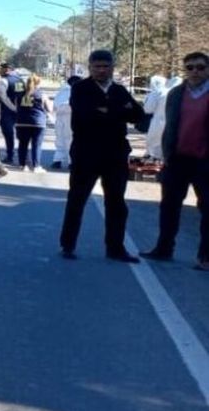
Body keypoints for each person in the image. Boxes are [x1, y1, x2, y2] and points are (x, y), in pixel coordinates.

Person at [59, 49, 147, 263]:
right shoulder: (81, 88)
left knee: (116, 203)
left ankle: (115, 247)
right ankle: (68, 244)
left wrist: (109, 110)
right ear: (89, 67)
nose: (101, 70)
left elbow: (138, 115)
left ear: (112, 68)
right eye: (96, 66)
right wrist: (118, 112)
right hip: (86, 153)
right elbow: (86, 115)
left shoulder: (119, 90)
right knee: (77, 200)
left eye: (105, 66)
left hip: (115, 154)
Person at [142, 52, 209, 268]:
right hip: (178, 158)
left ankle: (205, 257)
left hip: (205, 161)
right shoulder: (176, 94)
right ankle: (163, 249)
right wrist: (166, 153)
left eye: (200, 67)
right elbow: (169, 125)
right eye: (190, 68)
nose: (195, 72)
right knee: (169, 206)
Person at [51, 75, 80, 170]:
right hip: (71, 117)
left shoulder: (62, 90)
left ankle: (57, 160)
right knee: (70, 140)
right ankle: (71, 162)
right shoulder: (78, 91)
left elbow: (55, 105)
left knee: (60, 139)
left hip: (60, 117)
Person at [144, 74, 171, 161]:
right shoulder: (170, 91)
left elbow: (148, 109)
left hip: (157, 122)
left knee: (153, 143)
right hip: (170, 122)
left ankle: (154, 162)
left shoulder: (156, 93)